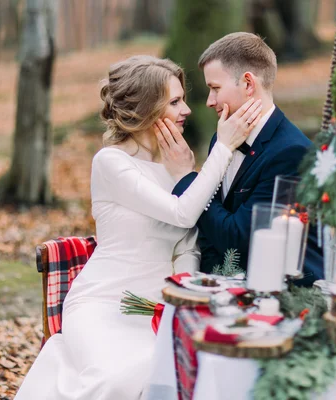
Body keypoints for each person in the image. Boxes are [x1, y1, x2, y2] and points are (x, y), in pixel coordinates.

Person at [15, 55, 262, 400]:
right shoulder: (111, 163)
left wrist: (179, 304)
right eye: (175, 101)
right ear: (146, 109)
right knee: (115, 379)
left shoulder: (175, 165)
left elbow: (187, 245)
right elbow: (182, 214)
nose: (187, 110)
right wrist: (223, 147)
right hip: (101, 304)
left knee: (171, 371)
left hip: (152, 310)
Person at [170, 32, 324, 286]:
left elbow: (237, 238)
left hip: (287, 296)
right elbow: (210, 234)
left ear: (249, 84)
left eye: (215, 88)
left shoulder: (291, 153)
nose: (210, 101)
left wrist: (188, 179)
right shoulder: (222, 139)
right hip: (227, 284)